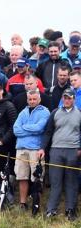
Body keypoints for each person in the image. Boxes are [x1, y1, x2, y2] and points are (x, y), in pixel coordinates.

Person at [41, 89, 80, 219]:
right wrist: (42, 148)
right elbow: (48, 132)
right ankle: (51, 210)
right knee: (55, 181)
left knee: (71, 182)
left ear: (74, 99)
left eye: (69, 98)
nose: (67, 100)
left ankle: (71, 210)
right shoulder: (55, 112)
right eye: (65, 98)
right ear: (62, 98)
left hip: (73, 151)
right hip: (56, 150)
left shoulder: (79, 113)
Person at [12, 89, 50, 212]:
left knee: (37, 178)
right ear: (27, 99)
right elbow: (15, 130)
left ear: (39, 99)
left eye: (34, 99)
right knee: (22, 176)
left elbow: (39, 128)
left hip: (35, 149)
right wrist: (30, 130)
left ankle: (36, 204)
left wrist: (24, 128)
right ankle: (23, 203)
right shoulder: (23, 112)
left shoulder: (45, 112)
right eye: (30, 99)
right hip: (21, 148)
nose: (32, 101)